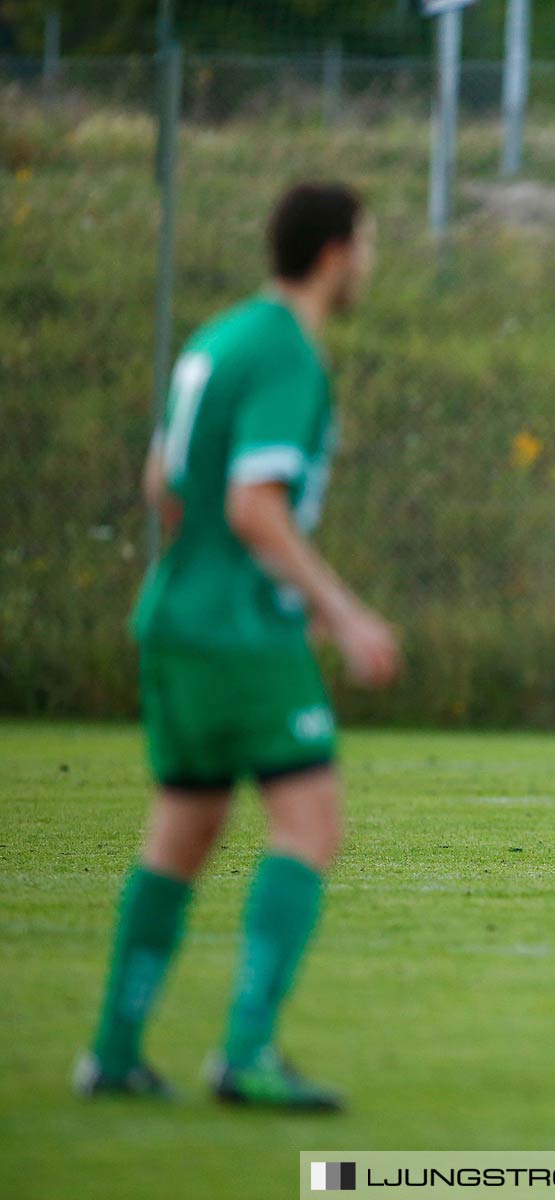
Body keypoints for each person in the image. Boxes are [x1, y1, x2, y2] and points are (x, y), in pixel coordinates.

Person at [76, 182, 398, 1112]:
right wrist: (341, 613)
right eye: (368, 243)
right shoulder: (288, 353)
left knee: (183, 833)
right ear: (336, 252)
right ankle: (246, 1054)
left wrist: (214, 572)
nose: (369, 262)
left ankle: (114, 1051)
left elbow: (162, 482)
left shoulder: (219, 339)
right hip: (239, 631)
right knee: (311, 826)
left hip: (174, 617)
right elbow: (252, 505)